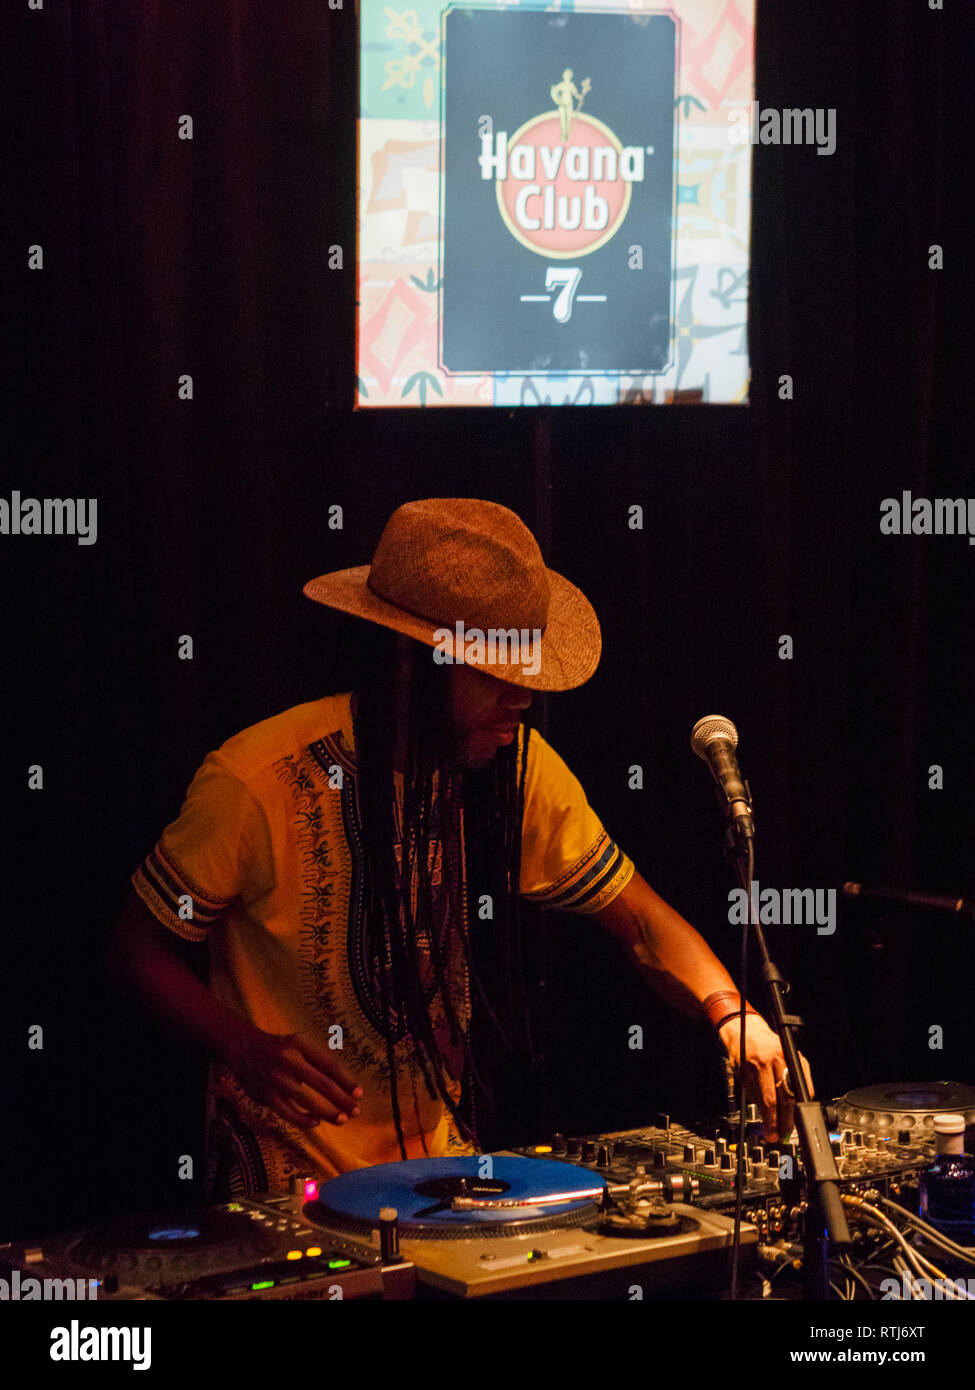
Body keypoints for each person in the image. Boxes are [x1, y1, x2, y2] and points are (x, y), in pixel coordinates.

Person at [108, 497, 808, 1199]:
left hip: (440, 1174)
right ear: (413, 664)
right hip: (283, 1179)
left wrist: (731, 1013)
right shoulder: (257, 780)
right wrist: (242, 1046)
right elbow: (136, 949)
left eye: (525, 671)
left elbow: (643, 925)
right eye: (492, 672)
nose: (522, 698)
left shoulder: (516, 769)